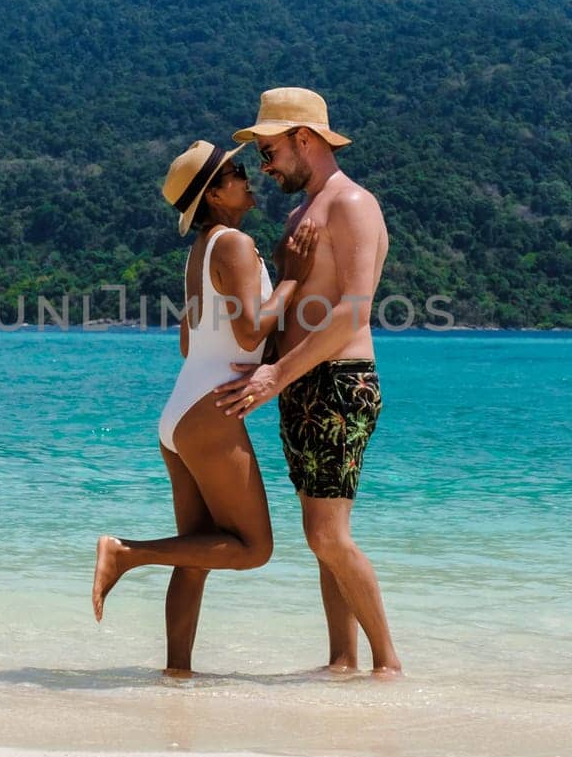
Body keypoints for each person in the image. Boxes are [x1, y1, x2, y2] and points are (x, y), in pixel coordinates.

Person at [91, 139, 316, 675]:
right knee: (253, 548)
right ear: (214, 195)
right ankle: (126, 553)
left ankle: (177, 674)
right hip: (210, 413)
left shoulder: (201, 251)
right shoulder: (234, 244)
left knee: (195, 553)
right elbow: (249, 328)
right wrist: (290, 277)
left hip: (181, 411)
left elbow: (190, 343)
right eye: (236, 173)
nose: (247, 177)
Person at [215, 87, 402, 676]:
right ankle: (342, 663)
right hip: (298, 385)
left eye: (268, 151)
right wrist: (266, 363)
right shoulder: (303, 212)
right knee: (318, 535)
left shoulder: (352, 203)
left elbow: (353, 311)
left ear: (304, 139)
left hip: (340, 382)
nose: (264, 167)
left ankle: (388, 665)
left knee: (327, 534)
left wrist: (277, 372)